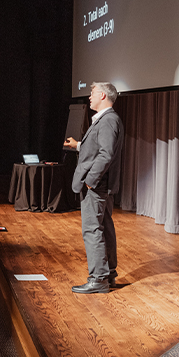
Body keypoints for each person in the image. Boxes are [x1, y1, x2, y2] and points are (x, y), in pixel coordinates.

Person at [64, 81, 124, 294]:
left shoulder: (107, 121)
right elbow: (98, 148)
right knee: (105, 228)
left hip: (97, 186)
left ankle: (98, 279)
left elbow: (105, 154)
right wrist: (79, 145)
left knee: (92, 229)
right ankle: (108, 275)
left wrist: (91, 180)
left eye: (92, 93)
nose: (89, 97)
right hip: (102, 185)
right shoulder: (107, 120)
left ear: (103, 96)